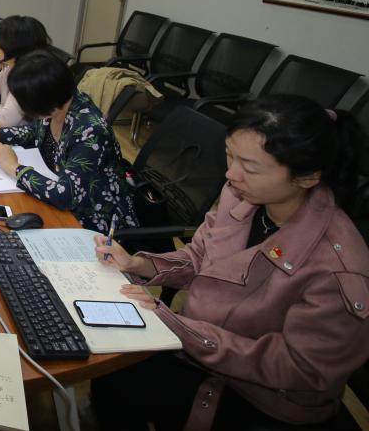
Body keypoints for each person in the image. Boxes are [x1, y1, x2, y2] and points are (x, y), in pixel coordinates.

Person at [90, 95, 369, 431]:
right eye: (229, 155)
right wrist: (139, 264)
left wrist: (178, 327)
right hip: (200, 349)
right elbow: (200, 256)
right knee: (109, 366)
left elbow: (299, 368)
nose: (230, 173)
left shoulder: (338, 268)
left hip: (261, 397)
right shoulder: (244, 195)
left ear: (307, 178)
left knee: (118, 374)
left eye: (249, 167)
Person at [0, 50, 138, 233]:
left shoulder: (90, 131)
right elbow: (35, 133)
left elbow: (66, 196)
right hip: (57, 198)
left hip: (94, 221)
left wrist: (14, 167)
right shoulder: (57, 107)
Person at [0, 15, 51, 128]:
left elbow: (5, 121)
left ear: (11, 47)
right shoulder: (10, 68)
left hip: (23, 135)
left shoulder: (29, 77)